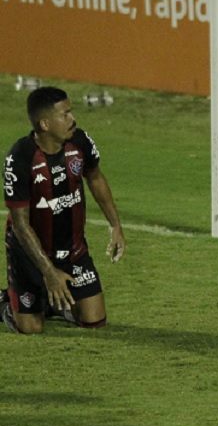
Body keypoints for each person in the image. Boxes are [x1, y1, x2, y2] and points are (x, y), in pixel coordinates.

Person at [1, 86, 126, 334]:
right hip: (30, 255)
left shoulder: (80, 142)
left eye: (71, 112)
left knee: (93, 321)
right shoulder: (20, 159)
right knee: (31, 328)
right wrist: (48, 272)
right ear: (45, 124)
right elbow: (20, 224)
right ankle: (7, 302)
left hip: (73, 250)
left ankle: (51, 304)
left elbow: (96, 179)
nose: (73, 119)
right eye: (65, 115)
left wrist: (116, 226)